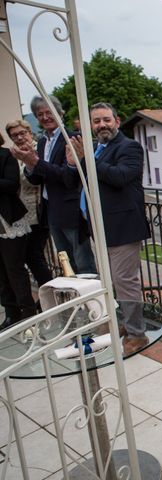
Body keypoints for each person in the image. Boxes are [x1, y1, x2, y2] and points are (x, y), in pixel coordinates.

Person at [65, 102, 151, 354]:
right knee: (111, 281)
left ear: (117, 120)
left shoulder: (130, 147)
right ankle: (123, 323)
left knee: (125, 282)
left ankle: (138, 334)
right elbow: (78, 180)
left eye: (106, 119)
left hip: (123, 227)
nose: (101, 125)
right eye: (96, 121)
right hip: (100, 227)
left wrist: (87, 159)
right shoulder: (97, 149)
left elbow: (121, 176)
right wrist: (74, 164)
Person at [11, 95, 96, 274]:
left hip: (71, 211)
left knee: (83, 262)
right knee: (66, 263)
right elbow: (37, 180)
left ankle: (93, 300)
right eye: (40, 114)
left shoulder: (72, 138)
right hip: (52, 211)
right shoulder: (42, 142)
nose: (45, 117)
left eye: (49, 112)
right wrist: (29, 163)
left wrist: (36, 162)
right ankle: (76, 299)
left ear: (60, 113)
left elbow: (68, 177)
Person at [5, 120, 53, 288]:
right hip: (24, 213)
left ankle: (49, 291)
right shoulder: (13, 154)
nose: (19, 137)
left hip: (40, 210)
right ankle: (46, 291)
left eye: (22, 133)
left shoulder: (37, 148)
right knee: (31, 256)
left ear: (29, 132)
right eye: (14, 135)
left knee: (34, 255)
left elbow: (35, 179)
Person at [0, 132, 37, 330]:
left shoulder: (6, 155)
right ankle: (11, 313)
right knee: (0, 272)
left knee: (14, 268)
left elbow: (12, 184)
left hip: (9, 221)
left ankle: (28, 312)